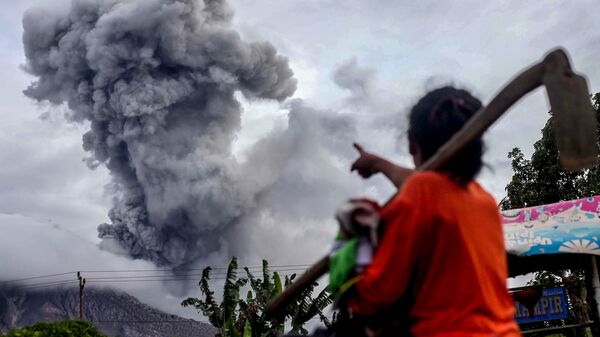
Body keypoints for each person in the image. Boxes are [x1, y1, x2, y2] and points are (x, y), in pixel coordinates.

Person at [346, 86, 520, 337]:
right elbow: (426, 185)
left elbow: (376, 296)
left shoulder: (422, 191)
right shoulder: (484, 200)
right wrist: (377, 163)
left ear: (411, 145)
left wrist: (348, 250)